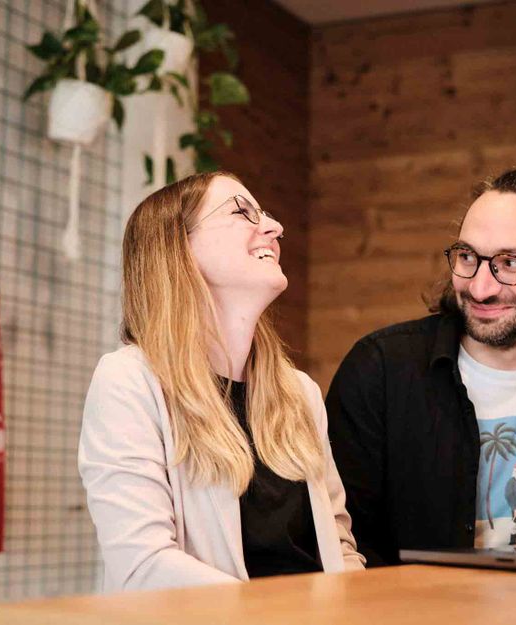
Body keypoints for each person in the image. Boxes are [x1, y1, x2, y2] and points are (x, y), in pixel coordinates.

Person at [79, 172, 365, 591]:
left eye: (265, 214)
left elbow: (338, 546)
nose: (274, 227)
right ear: (178, 248)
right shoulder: (128, 381)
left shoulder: (300, 392)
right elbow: (142, 566)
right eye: (241, 212)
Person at [325, 157, 516, 566]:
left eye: (510, 263)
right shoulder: (379, 372)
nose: (479, 287)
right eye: (467, 257)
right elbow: (341, 548)